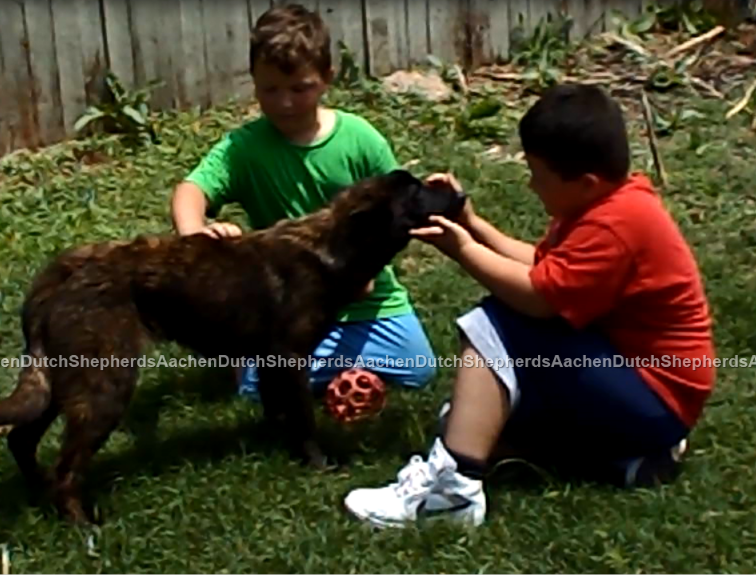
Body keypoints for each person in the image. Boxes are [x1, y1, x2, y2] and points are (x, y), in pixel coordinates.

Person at [343, 83, 716, 529]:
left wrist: (463, 250)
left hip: (654, 394)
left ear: (585, 183)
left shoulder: (616, 225)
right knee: (467, 419)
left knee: (495, 322)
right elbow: (545, 266)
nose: (530, 182)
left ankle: (454, 492)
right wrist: (473, 225)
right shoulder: (614, 205)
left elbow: (539, 299)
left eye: (539, 173)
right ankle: (631, 460)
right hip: (645, 392)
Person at [170, 4, 436, 398]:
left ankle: (297, 366)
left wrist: (363, 272)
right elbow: (190, 191)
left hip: (368, 299)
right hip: (287, 303)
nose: (285, 102)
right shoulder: (244, 148)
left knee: (419, 368)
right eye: (270, 90)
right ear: (254, 83)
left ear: (327, 78)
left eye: (300, 88)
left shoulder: (360, 139)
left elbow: (399, 211)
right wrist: (196, 237)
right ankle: (288, 366)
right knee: (258, 387)